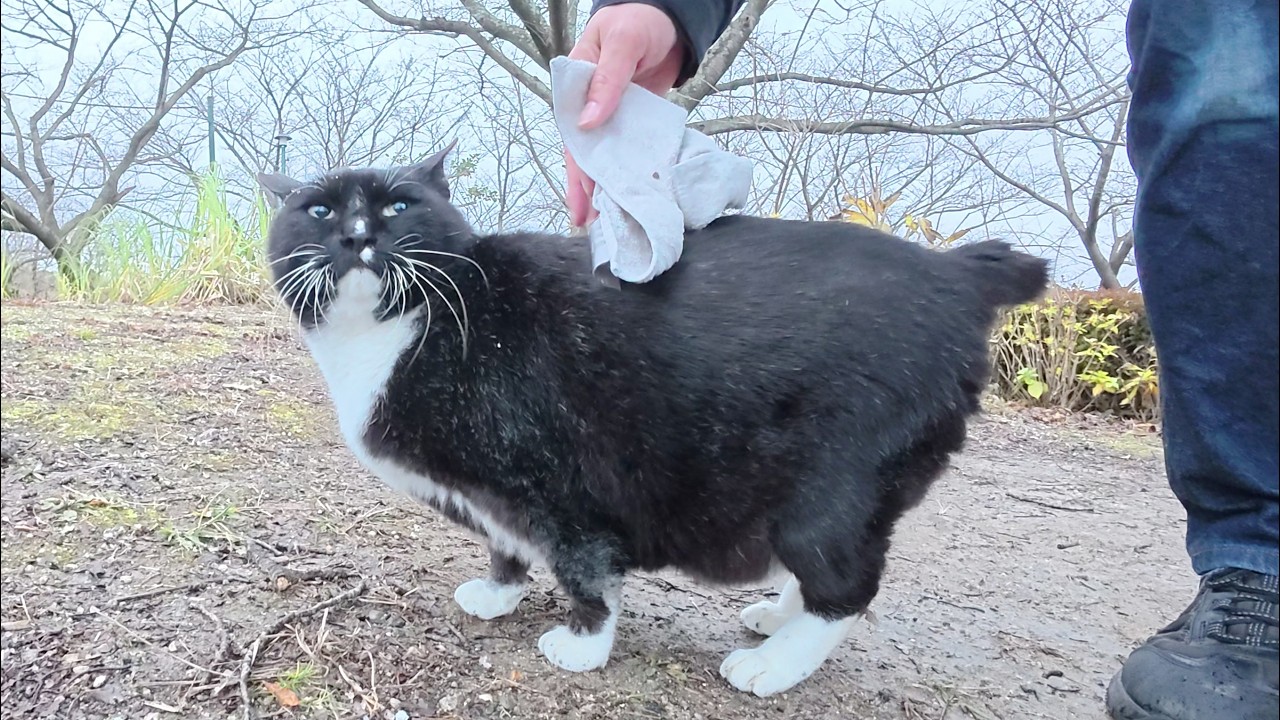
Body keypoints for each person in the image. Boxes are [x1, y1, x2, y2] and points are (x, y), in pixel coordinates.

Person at [564, 2, 1280, 718]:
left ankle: (832, 604)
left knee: (829, 477)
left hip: (897, 324)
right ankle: (1257, 565)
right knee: (1223, 112)